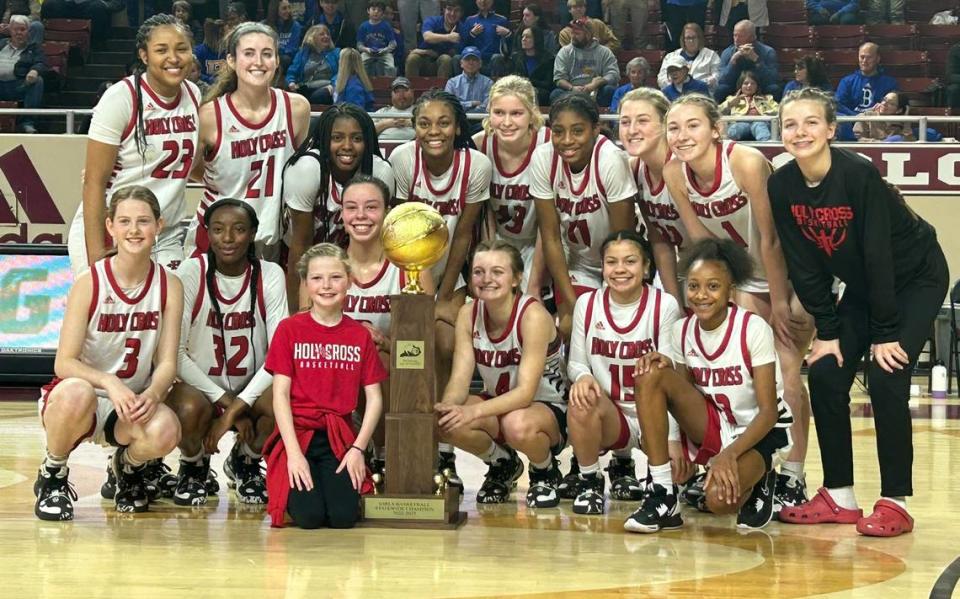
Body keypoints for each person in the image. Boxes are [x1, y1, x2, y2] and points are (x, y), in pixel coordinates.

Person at [770, 88, 947, 537]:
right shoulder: (782, 184)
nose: (800, 131)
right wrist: (826, 331)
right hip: (866, 287)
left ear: (831, 129)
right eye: (790, 124)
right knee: (828, 372)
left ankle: (895, 502)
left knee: (888, 376)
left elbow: (877, 255)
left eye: (811, 122)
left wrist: (886, 332)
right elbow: (803, 264)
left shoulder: (857, 175)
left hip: (915, 276)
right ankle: (840, 495)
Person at [663, 93, 815, 513]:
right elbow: (700, 244)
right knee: (742, 378)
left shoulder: (744, 161)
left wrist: (781, 301)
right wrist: (715, 298)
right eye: (673, 127)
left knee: (786, 373)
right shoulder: (674, 172)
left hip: (793, 273)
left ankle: (794, 475)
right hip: (745, 277)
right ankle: (750, 466)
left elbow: (771, 238)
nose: (682, 135)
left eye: (693, 125)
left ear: (716, 129)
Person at [34, 186, 184, 520]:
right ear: (110, 226)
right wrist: (109, 382)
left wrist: (154, 393)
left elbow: (168, 362)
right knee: (76, 391)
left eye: (143, 221)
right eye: (125, 221)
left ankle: (126, 469)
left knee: (167, 430)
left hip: (130, 403)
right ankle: (53, 474)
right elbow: (64, 362)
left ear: (159, 226)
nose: (134, 230)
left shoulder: (170, 285)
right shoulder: (89, 282)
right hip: (83, 398)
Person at [627, 238, 794, 533]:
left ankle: (762, 475)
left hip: (760, 432)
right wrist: (675, 447)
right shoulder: (681, 331)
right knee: (651, 372)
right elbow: (683, 398)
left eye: (713, 286)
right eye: (693, 286)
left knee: (718, 501)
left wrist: (728, 455)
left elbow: (769, 413)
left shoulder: (753, 328)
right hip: (717, 425)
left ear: (730, 289)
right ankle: (663, 494)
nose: (701, 295)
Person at [389, 89, 493, 475]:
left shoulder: (476, 165)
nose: (434, 131)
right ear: (414, 126)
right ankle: (411, 441)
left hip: (454, 274)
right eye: (424, 122)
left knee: (447, 343)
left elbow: (464, 234)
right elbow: (403, 233)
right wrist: (424, 293)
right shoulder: (402, 159)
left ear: (457, 127)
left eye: (444, 122)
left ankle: (444, 444)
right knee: (419, 346)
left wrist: (445, 295)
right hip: (410, 270)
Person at [170, 198, 286, 505]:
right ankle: (194, 465)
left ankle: (245, 461)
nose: (228, 238)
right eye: (218, 229)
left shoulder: (271, 274)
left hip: (254, 387)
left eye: (238, 229)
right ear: (207, 233)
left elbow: (279, 357)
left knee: (284, 399)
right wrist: (226, 403)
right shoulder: (191, 272)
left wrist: (234, 411)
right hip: (203, 390)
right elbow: (176, 356)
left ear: (253, 233)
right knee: (185, 408)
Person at [435, 240, 568, 507]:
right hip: (501, 405)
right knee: (443, 421)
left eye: (497, 272)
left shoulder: (533, 316)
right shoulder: (468, 313)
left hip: (548, 407)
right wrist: (449, 407)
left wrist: (472, 412)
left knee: (516, 424)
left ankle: (544, 471)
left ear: (517, 278)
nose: (487, 279)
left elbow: (525, 393)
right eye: (478, 272)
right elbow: (460, 378)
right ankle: (502, 463)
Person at [264, 243, 386, 529]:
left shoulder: (359, 335)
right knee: (309, 518)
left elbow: (375, 399)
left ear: (350, 281)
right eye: (317, 278)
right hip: (299, 436)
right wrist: (293, 455)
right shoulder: (289, 329)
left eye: (335, 277)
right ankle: (284, 479)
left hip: (338, 439)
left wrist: (358, 449)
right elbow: (280, 395)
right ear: (305, 284)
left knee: (343, 518)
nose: (327, 286)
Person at [566, 231, 684, 515]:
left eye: (630, 261)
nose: (620, 269)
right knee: (580, 399)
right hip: (611, 416)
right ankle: (590, 481)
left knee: (679, 473)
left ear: (645, 267)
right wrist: (583, 377)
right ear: (602, 267)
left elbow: (673, 376)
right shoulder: (587, 304)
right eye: (611, 262)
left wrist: (675, 438)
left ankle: (663, 483)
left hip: (655, 416)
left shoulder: (665, 305)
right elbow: (576, 363)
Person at [72, 14, 198, 279]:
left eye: (182, 49)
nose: (173, 58)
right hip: (116, 229)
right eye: (161, 50)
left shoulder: (194, 95)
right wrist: (98, 257)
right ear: (144, 55)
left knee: (172, 314)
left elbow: (191, 166)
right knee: (107, 317)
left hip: (166, 233)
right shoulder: (121, 98)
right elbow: (94, 182)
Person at [188, 22, 312, 261]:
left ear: (277, 60)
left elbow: (299, 172)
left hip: (272, 236)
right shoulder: (210, 115)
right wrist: (218, 180)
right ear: (231, 61)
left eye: (267, 54)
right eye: (249, 53)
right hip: (219, 236)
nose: (259, 62)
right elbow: (192, 169)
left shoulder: (296, 108)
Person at [341, 174, 435, 484]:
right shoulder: (325, 265)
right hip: (334, 367)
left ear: (387, 212)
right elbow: (305, 334)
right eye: (351, 207)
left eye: (371, 207)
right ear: (341, 213)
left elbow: (422, 350)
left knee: (378, 362)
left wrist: (383, 341)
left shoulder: (410, 268)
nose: (361, 216)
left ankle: (381, 454)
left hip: (387, 375)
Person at [529, 92, 637, 342]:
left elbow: (623, 241)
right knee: (569, 325)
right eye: (558, 131)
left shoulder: (610, 158)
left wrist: (610, 296)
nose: (567, 140)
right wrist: (572, 301)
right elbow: (551, 238)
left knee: (613, 328)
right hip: (580, 263)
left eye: (577, 131)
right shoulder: (544, 158)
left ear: (595, 129)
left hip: (621, 259)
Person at [283, 103, 394, 308]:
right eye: (337, 138)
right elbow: (300, 245)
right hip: (302, 257)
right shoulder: (306, 169)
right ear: (325, 140)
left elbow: (380, 241)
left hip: (352, 261)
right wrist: (297, 314)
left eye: (357, 138)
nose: (347, 146)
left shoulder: (380, 171)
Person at [472, 75, 551, 297]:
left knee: (531, 301)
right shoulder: (480, 144)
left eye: (516, 113)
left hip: (540, 241)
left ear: (532, 115)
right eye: (499, 113)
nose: (506, 122)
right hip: (498, 239)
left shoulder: (549, 145)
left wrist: (534, 285)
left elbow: (549, 223)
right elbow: (483, 210)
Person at [618, 87, 683, 301]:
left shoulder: (685, 165)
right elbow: (659, 239)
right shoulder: (634, 169)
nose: (632, 130)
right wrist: (675, 301)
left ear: (665, 124)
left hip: (730, 262)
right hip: (683, 264)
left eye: (642, 121)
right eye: (625, 122)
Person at [550, 18, 620, 107]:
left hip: (597, 91)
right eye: (572, 33)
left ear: (588, 34)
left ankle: (605, 120)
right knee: (556, 94)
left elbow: (614, 74)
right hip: (572, 90)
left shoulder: (604, 52)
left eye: (577, 33)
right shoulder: (565, 52)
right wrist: (572, 88)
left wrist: (596, 83)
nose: (573, 36)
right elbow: (559, 79)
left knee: (609, 90)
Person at [716, 20, 780, 102]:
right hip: (736, 87)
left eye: (741, 36)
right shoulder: (727, 52)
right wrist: (732, 62)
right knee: (721, 89)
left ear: (752, 37)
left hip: (760, 86)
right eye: (735, 35)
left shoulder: (768, 52)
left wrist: (757, 60)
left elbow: (772, 79)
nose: (736, 39)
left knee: (774, 89)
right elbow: (722, 80)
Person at [0, 15, 43, 133]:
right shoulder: (1, 44)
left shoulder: (33, 48)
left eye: (23, 29)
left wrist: (34, 70)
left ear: (28, 31)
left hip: (18, 86)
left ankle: (28, 123)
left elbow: (40, 62)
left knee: (37, 81)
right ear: (10, 30)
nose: (19, 32)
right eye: (15, 29)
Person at [656, 23, 721, 93]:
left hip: (701, 93)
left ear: (699, 38)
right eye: (688, 38)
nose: (691, 41)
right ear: (683, 40)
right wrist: (677, 85)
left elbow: (717, 77)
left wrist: (695, 84)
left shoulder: (711, 56)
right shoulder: (671, 56)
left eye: (694, 38)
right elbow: (661, 78)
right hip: (675, 95)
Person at [285, 24, 340, 105]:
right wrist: (291, 82)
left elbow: (341, 72)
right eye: (322, 34)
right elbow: (292, 71)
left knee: (319, 96)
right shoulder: (303, 53)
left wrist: (333, 85)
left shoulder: (336, 53)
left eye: (328, 34)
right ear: (312, 37)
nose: (326, 36)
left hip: (326, 88)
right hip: (306, 88)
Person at [406, 0, 461, 79]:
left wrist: (432, 53)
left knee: (446, 59)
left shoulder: (462, 28)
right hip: (423, 58)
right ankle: (410, 89)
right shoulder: (433, 20)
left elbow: (454, 53)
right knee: (412, 58)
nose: (452, 13)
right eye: (449, 9)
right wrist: (448, 37)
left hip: (442, 62)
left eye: (456, 11)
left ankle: (441, 90)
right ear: (444, 10)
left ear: (461, 13)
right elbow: (427, 37)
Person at [720, 70, 779, 142]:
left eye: (753, 83)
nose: (749, 86)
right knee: (735, 129)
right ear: (740, 86)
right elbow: (717, 112)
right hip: (741, 123)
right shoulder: (732, 99)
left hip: (760, 122)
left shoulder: (767, 98)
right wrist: (730, 104)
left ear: (757, 86)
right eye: (746, 83)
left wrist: (765, 106)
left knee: (760, 127)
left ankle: (767, 149)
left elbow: (778, 111)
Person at [508, 26, 554, 107]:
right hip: (519, 89)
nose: (523, 39)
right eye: (522, 36)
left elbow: (548, 84)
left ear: (537, 39)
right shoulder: (516, 57)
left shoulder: (548, 59)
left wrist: (529, 81)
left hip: (540, 93)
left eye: (528, 37)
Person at [461, 0, 510, 75]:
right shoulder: (469, 20)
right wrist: (472, 34)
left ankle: (497, 86)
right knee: (459, 58)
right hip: (474, 58)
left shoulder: (502, 20)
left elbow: (510, 46)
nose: (483, 1)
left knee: (497, 57)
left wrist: (508, 34)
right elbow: (462, 44)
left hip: (493, 59)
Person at [445, 46, 493, 120]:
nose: (471, 62)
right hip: (458, 121)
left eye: (474, 60)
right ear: (461, 63)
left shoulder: (488, 83)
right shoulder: (452, 83)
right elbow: (449, 104)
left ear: (480, 63)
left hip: (481, 121)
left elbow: (487, 106)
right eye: (467, 59)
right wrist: (471, 104)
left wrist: (463, 108)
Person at [356, 0, 396, 77]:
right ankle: (363, 84)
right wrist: (366, 49)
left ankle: (390, 85)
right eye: (373, 9)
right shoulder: (363, 26)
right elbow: (359, 44)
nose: (376, 12)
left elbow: (393, 44)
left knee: (391, 67)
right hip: (368, 52)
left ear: (383, 13)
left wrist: (384, 50)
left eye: (379, 10)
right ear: (368, 10)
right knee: (360, 66)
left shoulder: (386, 26)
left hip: (384, 53)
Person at [265, 0, 304, 72]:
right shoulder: (266, 26)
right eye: (284, 8)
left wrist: (279, 51)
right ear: (275, 10)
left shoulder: (295, 26)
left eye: (289, 7)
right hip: (271, 55)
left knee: (285, 59)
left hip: (287, 58)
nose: (288, 11)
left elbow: (292, 49)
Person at [373, 76, 415, 141]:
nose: (401, 94)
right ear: (391, 94)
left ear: (412, 92)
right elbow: (366, 133)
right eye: (397, 91)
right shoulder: (382, 112)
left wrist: (411, 123)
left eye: (405, 90)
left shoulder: (420, 111)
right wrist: (387, 123)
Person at [194, 19, 227, 85]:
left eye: (223, 35)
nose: (222, 39)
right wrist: (209, 79)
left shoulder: (228, 51)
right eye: (219, 36)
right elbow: (196, 73)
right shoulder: (199, 51)